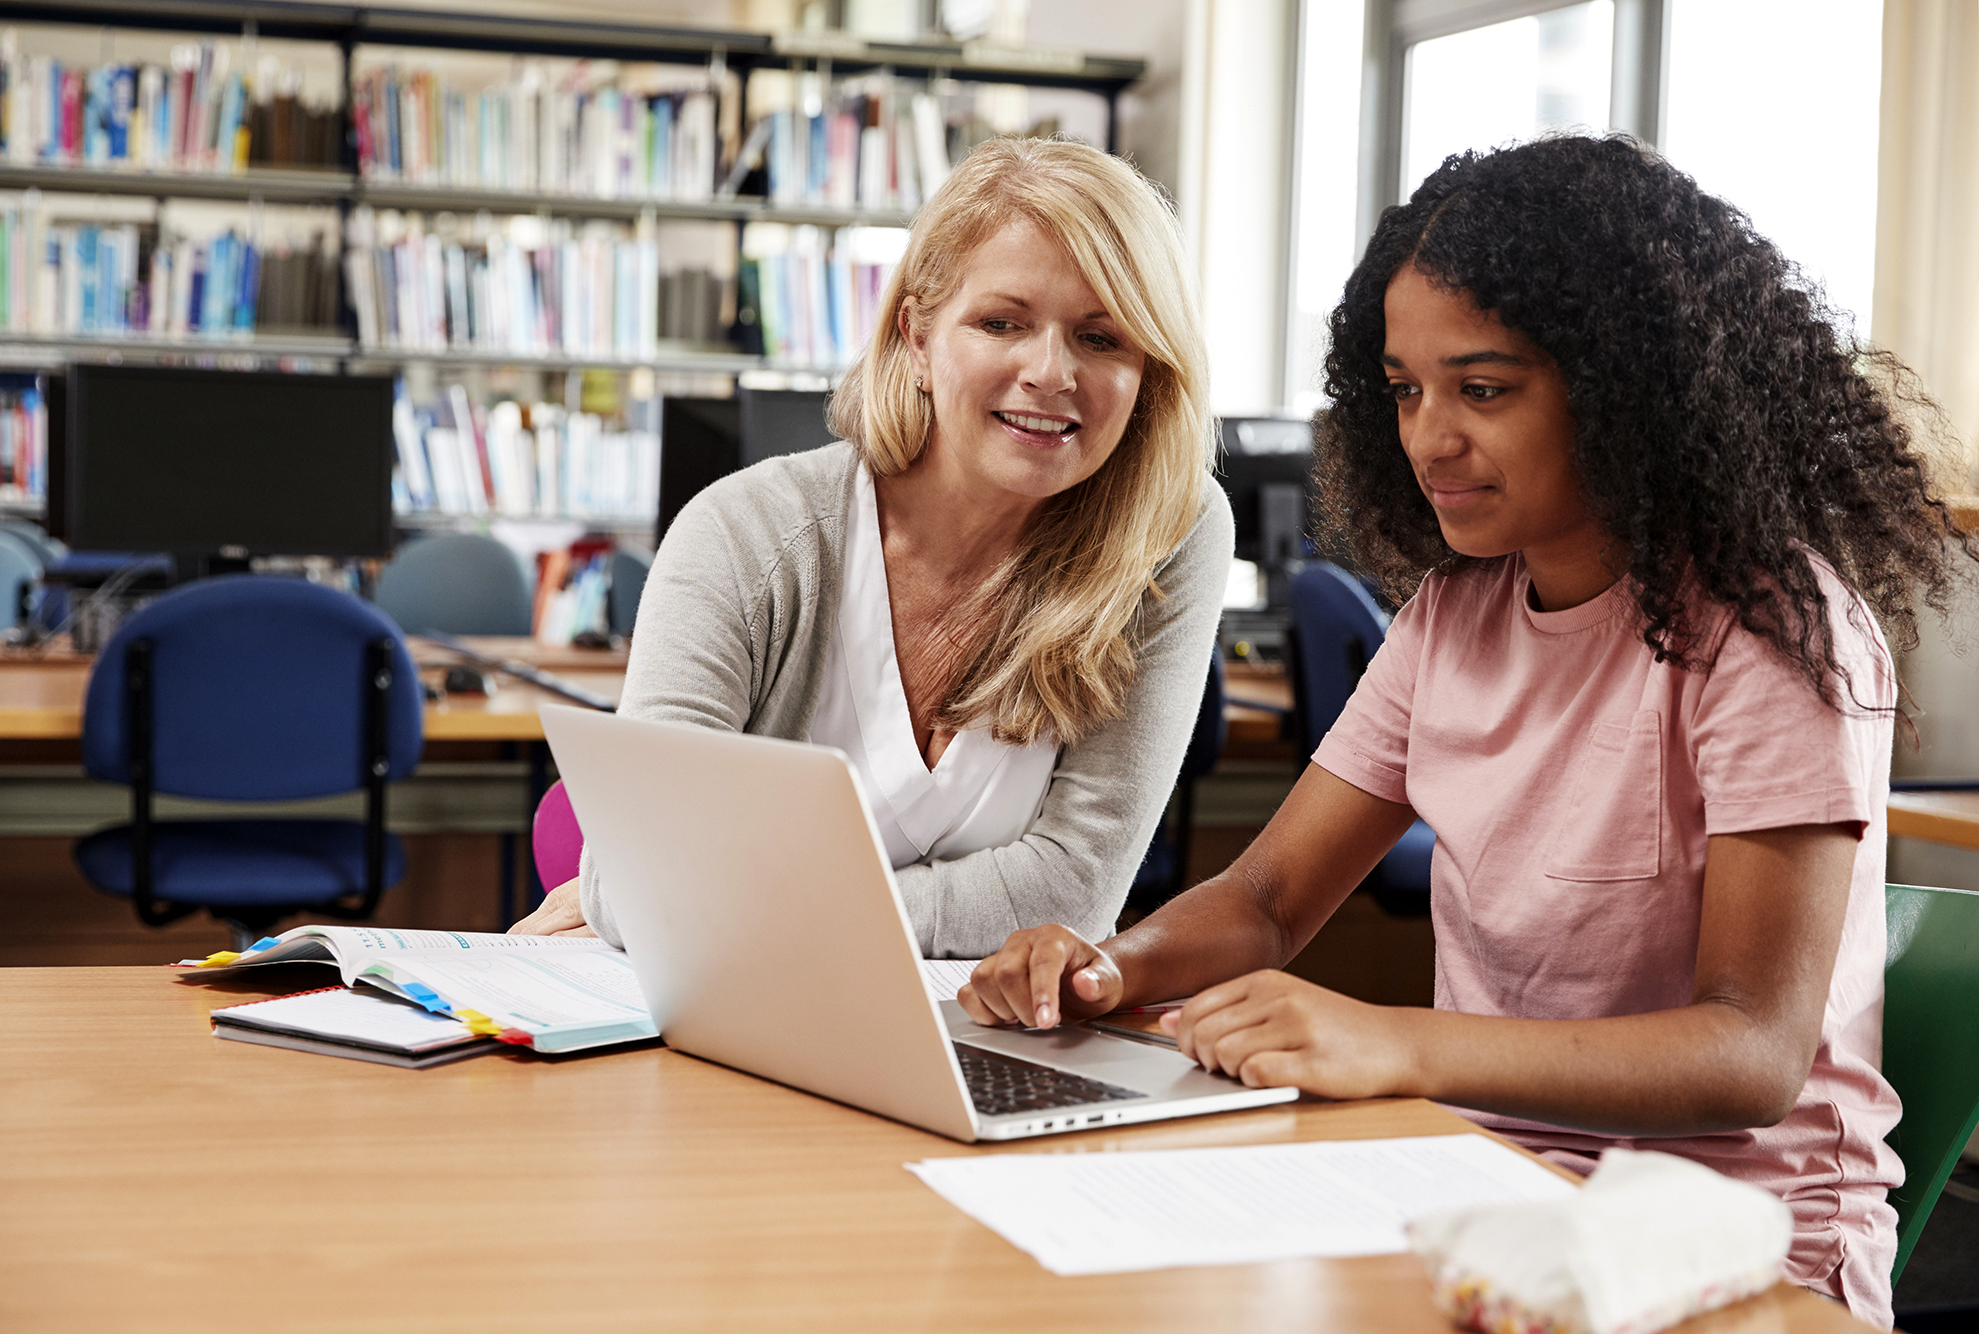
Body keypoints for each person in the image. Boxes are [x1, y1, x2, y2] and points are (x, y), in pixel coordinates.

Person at [959, 135, 1976, 1328]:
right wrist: (1106, 967)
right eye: (1403, 389)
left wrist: (1398, 1041)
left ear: (1622, 387)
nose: (1428, 437)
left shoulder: (1766, 634)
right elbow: (1269, 900)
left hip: (1725, 1243)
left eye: (1482, 389)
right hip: (1476, 1193)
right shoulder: (1453, 614)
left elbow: (1748, 1052)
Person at [512, 136, 1229, 959]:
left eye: (1102, 339)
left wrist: (732, 906)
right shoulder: (744, 535)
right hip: (733, 1031)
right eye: (1002, 322)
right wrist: (666, 896)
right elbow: (641, 882)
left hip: (988, 1052)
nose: (1050, 371)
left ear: (1149, 371)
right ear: (917, 337)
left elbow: (1074, 892)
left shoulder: (1167, 528)